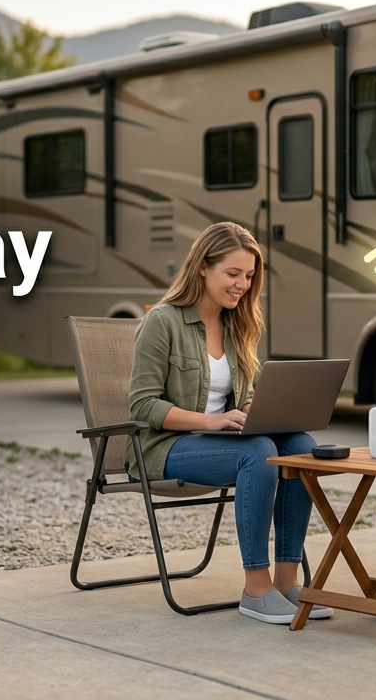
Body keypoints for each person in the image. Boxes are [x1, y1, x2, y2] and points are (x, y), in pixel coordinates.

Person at [128, 222, 332, 624]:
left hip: (223, 439)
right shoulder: (163, 321)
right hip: (166, 447)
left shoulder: (240, 325)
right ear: (203, 267)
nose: (242, 284)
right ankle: (256, 588)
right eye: (233, 274)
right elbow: (143, 405)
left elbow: (250, 393)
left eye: (250, 276)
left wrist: (266, 411)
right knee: (258, 453)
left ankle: (287, 581)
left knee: (300, 447)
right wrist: (212, 420)